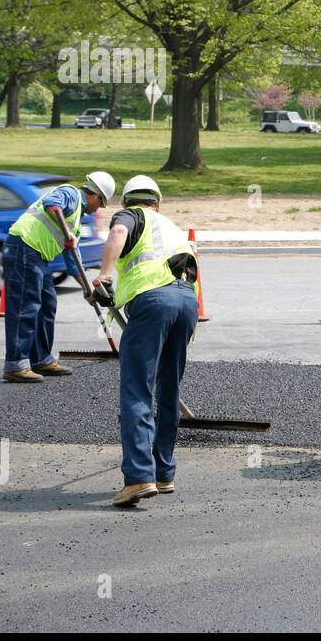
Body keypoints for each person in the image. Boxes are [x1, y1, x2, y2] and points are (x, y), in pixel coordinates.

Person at [90, 175, 199, 508]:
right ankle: (164, 472)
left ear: (127, 202)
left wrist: (104, 278)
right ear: (158, 203)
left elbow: (118, 233)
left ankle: (139, 477)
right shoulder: (172, 226)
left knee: (137, 388)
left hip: (152, 303)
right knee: (169, 388)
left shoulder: (131, 216)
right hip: (186, 304)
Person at [1, 170, 115, 383]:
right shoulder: (70, 193)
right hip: (23, 247)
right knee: (25, 307)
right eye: (100, 204)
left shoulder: (76, 219)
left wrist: (86, 289)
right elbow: (52, 205)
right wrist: (66, 233)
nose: (97, 209)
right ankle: (15, 364)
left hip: (36, 256)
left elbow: (73, 259)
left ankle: (40, 359)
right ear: (96, 195)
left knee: (47, 304)